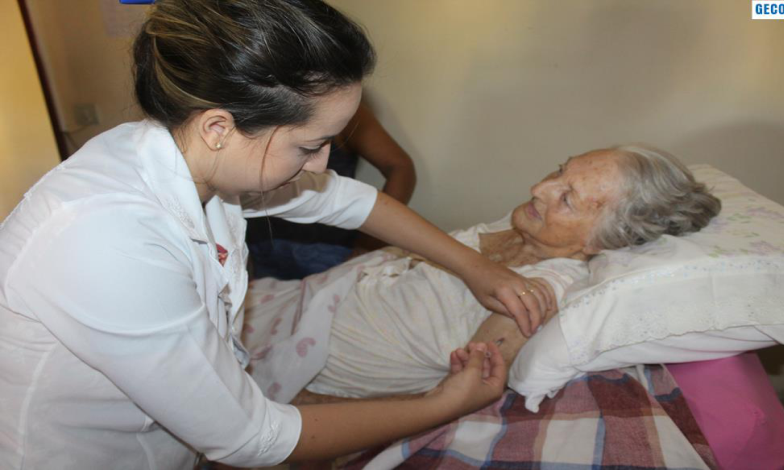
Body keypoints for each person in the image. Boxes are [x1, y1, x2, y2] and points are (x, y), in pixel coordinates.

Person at [0, 1, 549, 468]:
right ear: (219, 127)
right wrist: (443, 403)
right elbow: (249, 437)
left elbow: (348, 201)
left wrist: (477, 267)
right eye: (310, 146)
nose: (321, 163)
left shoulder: (201, 159)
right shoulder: (104, 239)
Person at [239, 145, 722, 401]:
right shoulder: (521, 227)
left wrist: (299, 412)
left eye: (567, 198)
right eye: (559, 171)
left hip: (306, 372)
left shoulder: (539, 294)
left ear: (601, 242)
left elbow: (464, 392)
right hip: (292, 304)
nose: (539, 188)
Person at [246, 101, 416, 279]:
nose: (318, 166)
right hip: (262, 243)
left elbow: (400, 167)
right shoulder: (262, 102)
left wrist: (367, 244)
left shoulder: (344, 109)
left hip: (329, 251)